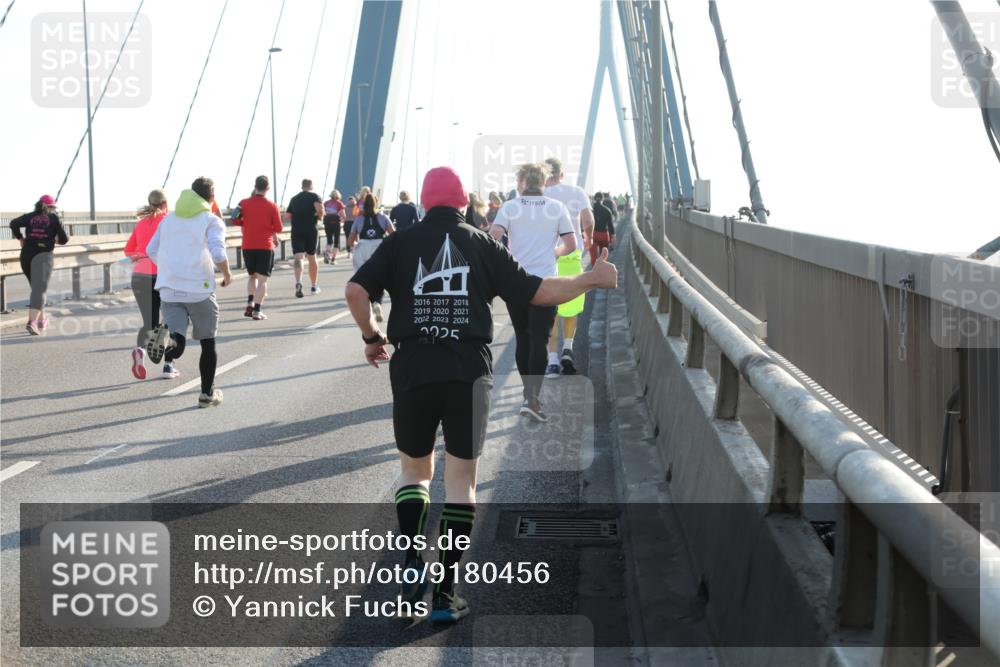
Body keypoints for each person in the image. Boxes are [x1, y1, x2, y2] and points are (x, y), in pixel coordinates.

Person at [345, 166, 617, 625]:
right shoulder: (481, 242)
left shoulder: (399, 242)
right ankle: (445, 594)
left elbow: (355, 290)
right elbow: (538, 291)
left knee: (414, 473)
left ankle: (412, 565)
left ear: (427, 202)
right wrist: (590, 280)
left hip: (412, 367)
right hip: (468, 370)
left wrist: (372, 336)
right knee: (461, 480)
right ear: (462, 202)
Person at [489, 163, 576, 422]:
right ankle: (532, 399)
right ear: (544, 181)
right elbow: (570, 243)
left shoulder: (510, 207)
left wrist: (506, 259)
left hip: (516, 281)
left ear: (523, 181)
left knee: (523, 338)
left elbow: (493, 237)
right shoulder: (556, 207)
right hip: (546, 281)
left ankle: (529, 397)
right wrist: (554, 252)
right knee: (540, 338)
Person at [145, 177, 232, 408]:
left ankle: (169, 341)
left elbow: (150, 249)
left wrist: (169, 269)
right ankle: (207, 395)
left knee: (178, 341)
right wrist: (227, 274)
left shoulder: (168, 219)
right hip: (199, 291)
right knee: (207, 343)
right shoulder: (211, 220)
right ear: (211, 199)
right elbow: (218, 253)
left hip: (169, 289)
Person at [542, 157, 595, 378]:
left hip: (547, 257)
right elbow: (588, 218)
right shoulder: (576, 191)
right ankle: (567, 349)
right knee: (571, 305)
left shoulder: (539, 194)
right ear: (562, 174)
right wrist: (588, 237)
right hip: (572, 254)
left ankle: (552, 363)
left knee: (550, 310)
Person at [9, 195, 69, 336]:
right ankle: (32, 323)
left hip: (26, 256)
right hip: (43, 256)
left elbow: (13, 223)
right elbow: (64, 239)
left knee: (36, 289)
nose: (55, 210)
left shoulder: (29, 217)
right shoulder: (54, 218)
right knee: (39, 291)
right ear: (51, 207)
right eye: (54, 207)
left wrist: (20, 238)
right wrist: (55, 239)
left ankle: (42, 320)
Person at [124, 189, 168, 378]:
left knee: (148, 322)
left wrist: (139, 255)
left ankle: (140, 351)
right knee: (170, 321)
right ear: (166, 203)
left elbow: (128, 250)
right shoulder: (168, 221)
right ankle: (169, 366)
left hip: (140, 276)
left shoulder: (141, 223)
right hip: (163, 276)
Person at [233, 175, 283, 320]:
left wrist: (245, 223)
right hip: (265, 246)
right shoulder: (272, 205)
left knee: (252, 276)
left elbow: (234, 218)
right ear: (267, 188)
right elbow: (279, 228)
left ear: (255, 186)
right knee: (262, 280)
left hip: (248, 245)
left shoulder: (243, 202)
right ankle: (257, 310)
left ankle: (250, 302)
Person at [347, 193, 395, 322]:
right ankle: (377, 302)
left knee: (364, 280)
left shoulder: (358, 219)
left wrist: (356, 244)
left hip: (362, 249)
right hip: (379, 247)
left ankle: (370, 306)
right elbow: (393, 236)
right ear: (376, 204)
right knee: (381, 278)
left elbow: (350, 241)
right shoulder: (383, 217)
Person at [285, 178, 324, 297]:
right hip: (311, 229)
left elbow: (287, 216)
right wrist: (318, 215)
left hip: (296, 230)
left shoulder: (294, 198)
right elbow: (320, 210)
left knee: (298, 257)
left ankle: (298, 282)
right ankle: (313, 286)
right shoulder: (315, 196)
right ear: (311, 186)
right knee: (312, 257)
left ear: (302, 186)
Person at [591, 193, 616, 266]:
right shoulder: (607, 210)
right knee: (604, 256)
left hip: (593, 234)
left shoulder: (590, 210)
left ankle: (594, 272)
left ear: (594, 198)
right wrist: (613, 237)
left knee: (594, 257)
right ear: (602, 199)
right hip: (604, 235)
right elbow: (610, 225)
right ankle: (602, 269)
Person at [322, 190, 345, 264]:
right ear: (338, 196)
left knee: (329, 240)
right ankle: (333, 259)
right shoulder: (339, 203)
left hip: (327, 223)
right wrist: (342, 220)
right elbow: (343, 215)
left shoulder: (325, 203)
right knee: (336, 242)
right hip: (335, 224)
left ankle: (327, 252)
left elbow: (323, 213)